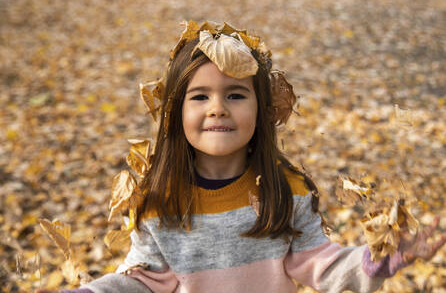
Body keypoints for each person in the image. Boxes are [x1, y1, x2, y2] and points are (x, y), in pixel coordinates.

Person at [37, 21, 446, 293]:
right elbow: (142, 281)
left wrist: (384, 257)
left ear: (262, 110)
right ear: (176, 114)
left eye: (235, 94)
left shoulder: (286, 191)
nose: (217, 108)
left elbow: (324, 265)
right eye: (200, 97)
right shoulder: (158, 202)